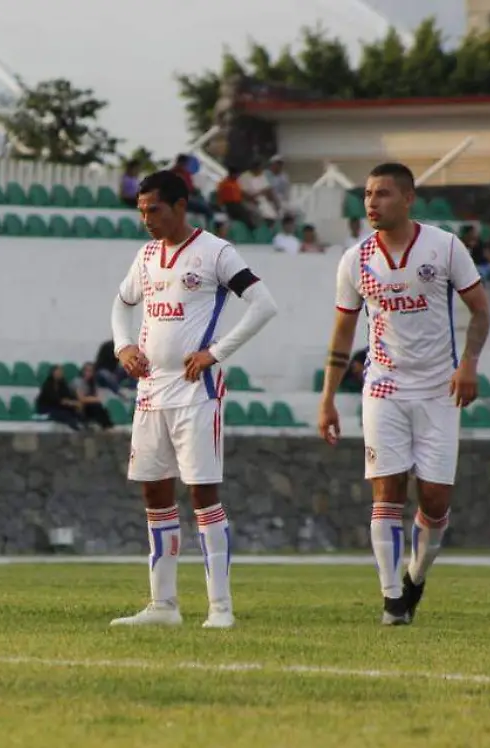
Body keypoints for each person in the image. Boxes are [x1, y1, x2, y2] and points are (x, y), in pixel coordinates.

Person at [318, 162, 490, 626]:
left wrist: (469, 364)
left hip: (439, 389)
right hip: (384, 387)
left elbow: (480, 310)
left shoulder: (444, 246)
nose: (372, 203)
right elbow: (341, 335)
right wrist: (328, 397)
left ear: (409, 198)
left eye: (384, 194)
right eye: (369, 194)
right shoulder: (354, 260)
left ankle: (415, 575)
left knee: (434, 500)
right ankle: (392, 598)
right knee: (386, 489)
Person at [109, 170, 279, 629]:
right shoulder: (145, 256)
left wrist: (215, 353)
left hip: (195, 392)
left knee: (203, 493)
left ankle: (220, 607)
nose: (146, 219)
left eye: (155, 209)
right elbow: (122, 303)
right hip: (150, 393)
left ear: (181, 206)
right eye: (142, 210)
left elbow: (263, 304)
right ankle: (163, 605)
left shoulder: (215, 252)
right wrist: (122, 346)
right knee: (154, 493)